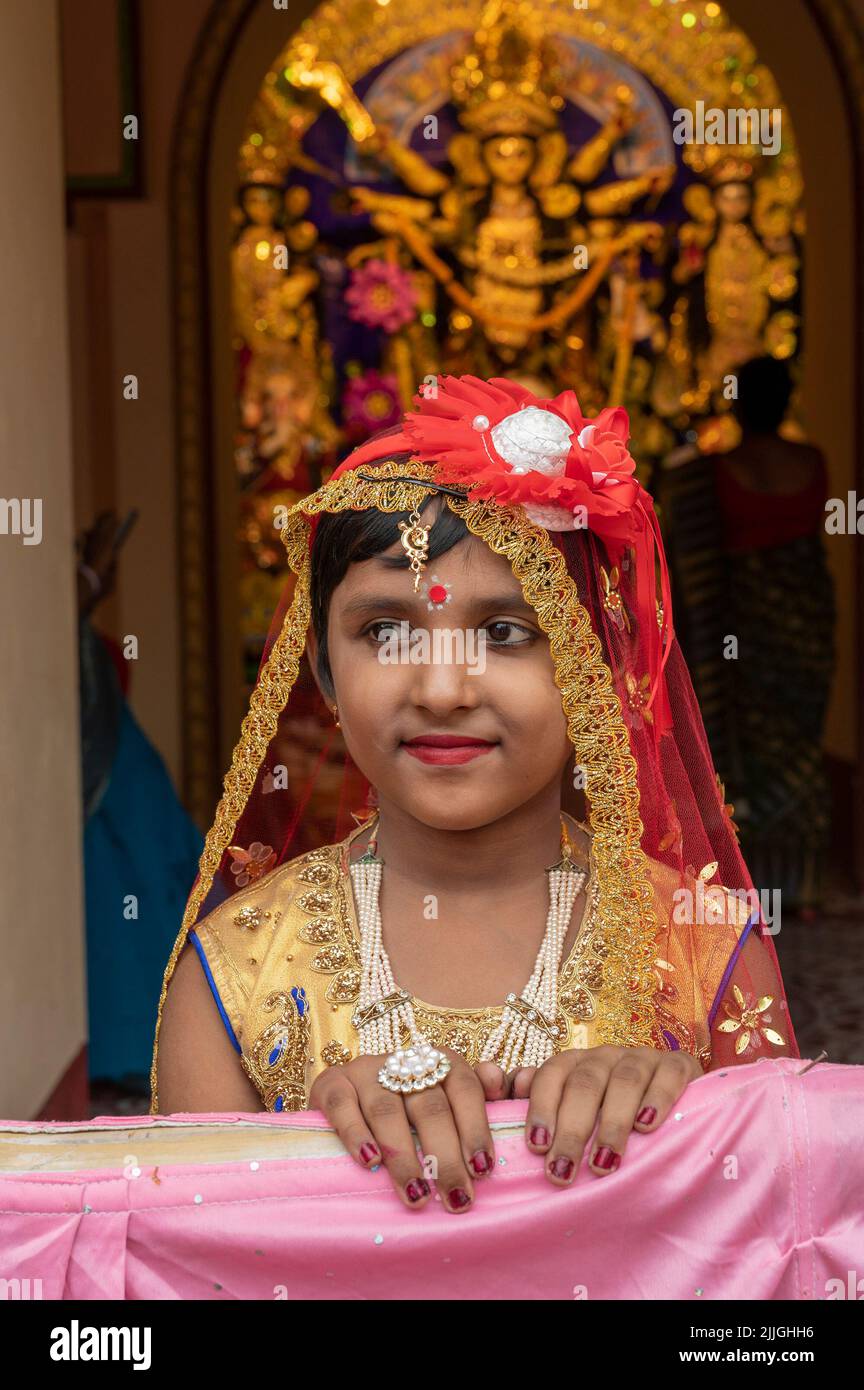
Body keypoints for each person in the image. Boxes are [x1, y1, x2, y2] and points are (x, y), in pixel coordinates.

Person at [152, 375, 798, 1215]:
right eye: (384, 631)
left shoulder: (704, 951)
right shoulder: (234, 976)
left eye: (505, 632)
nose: (444, 688)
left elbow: (782, 1252)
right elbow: (197, 1263)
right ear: (324, 672)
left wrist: (688, 1121)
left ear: (595, 661)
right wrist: (313, 1154)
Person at [660, 357, 835, 910]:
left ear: (737, 405)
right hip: (804, 618)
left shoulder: (715, 471)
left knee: (742, 742)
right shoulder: (812, 461)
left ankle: (750, 881)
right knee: (800, 741)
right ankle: (798, 886)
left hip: (745, 622)